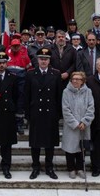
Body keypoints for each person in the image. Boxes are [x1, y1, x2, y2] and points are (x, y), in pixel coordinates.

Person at [25, 47, 62, 180]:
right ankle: (35, 167)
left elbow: (59, 95)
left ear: (49, 60)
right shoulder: (30, 74)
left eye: (46, 59)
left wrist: (58, 114)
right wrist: (27, 114)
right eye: (41, 59)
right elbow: (27, 95)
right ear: (37, 59)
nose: (43, 61)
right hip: (36, 112)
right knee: (35, 143)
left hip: (50, 113)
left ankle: (49, 167)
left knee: (49, 143)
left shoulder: (56, 74)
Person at [62, 71, 94, 179]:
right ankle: (71, 168)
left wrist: (84, 121)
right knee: (70, 148)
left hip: (84, 125)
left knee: (81, 148)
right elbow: (65, 110)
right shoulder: (66, 92)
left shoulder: (88, 91)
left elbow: (91, 108)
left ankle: (80, 168)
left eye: (78, 79)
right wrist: (75, 123)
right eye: (73, 79)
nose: (75, 81)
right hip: (71, 126)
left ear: (83, 81)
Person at [7, 38, 32, 135]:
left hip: (21, 82)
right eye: (14, 46)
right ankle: (10, 124)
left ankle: (19, 124)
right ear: (11, 46)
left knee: (20, 103)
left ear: (20, 46)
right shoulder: (7, 56)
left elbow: (29, 69)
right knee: (9, 102)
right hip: (9, 82)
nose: (16, 48)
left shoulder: (24, 56)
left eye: (17, 46)